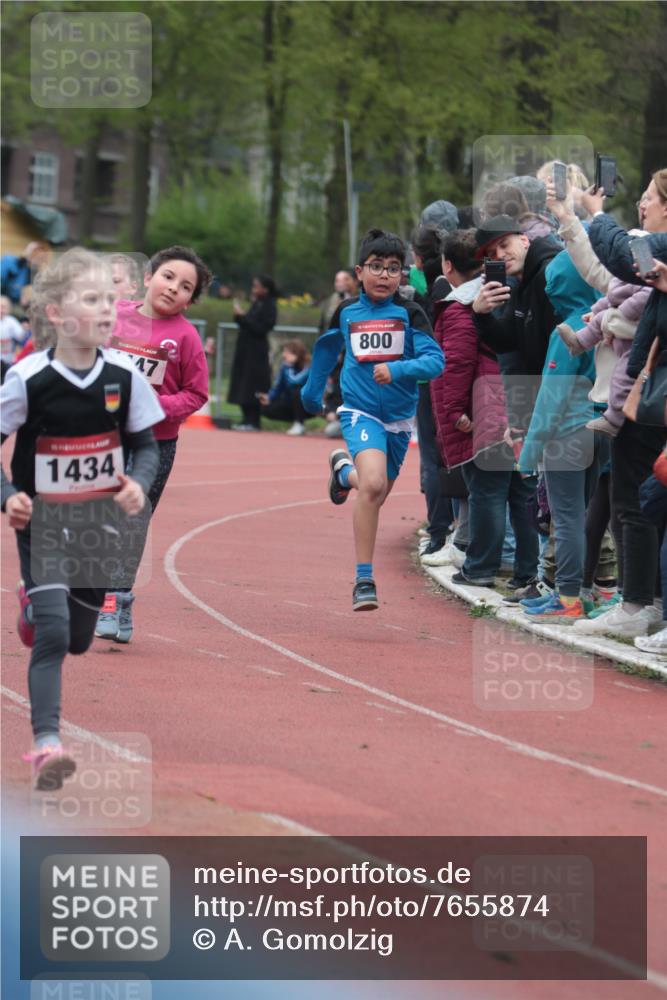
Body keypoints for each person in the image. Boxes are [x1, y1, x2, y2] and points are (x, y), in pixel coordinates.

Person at [0, 248, 164, 790]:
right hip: (43, 522)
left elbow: (145, 445)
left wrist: (137, 481)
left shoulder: (124, 377)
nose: (105, 311)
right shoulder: (27, 379)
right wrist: (8, 495)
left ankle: (32, 609)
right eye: (90, 300)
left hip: (99, 527)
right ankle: (47, 744)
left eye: (110, 302)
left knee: (78, 638)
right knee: (52, 636)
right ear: (55, 313)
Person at [301, 228, 444, 611]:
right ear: (359, 271)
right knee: (375, 483)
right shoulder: (347, 312)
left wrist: (398, 371)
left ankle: (342, 474)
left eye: (393, 268)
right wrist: (312, 392)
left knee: (374, 492)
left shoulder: (411, 313)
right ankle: (364, 579)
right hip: (360, 411)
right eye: (376, 267)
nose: (384, 275)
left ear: (402, 275)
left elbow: (436, 362)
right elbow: (327, 348)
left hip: (399, 420)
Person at [95, 245, 211, 643]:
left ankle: (117, 599)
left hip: (153, 445)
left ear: (190, 301)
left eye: (185, 287)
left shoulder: (186, 338)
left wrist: (153, 405)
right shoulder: (114, 318)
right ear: (148, 278)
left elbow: (196, 395)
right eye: (167, 277)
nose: (173, 288)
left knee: (131, 523)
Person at [571, 170, 667, 638]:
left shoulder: (657, 248)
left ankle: (639, 605)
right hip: (647, 388)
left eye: (649, 198)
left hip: (653, 394)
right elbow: (606, 266)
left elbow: (620, 255)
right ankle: (643, 602)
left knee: (634, 497)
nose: (642, 206)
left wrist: (595, 214)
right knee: (643, 498)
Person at [429, 230, 538, 586]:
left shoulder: (462, 305)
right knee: (520, 494)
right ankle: (526, 570)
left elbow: (457, 363)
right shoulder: (508, 291)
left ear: (447, 266)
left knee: (488, 490)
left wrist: (455, 411)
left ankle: (481, 567)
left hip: (485, 407)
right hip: (515, 399)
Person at [228, 275, 278, 430]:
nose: (254, 289)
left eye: (257, 286)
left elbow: (261, 328)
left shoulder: (269, 306)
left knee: (253, 384)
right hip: (245, 349)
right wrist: (239, 316)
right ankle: (245, 418)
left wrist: (244, 318)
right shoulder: (256, 303)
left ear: (266, 289)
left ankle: (253, 420)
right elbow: (246, 323)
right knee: (242, 382)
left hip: (257, 352)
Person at [257, 339, 312, 435]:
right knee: (265, 408)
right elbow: (278, 386)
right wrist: (269, 397)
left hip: (309, 404)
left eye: (287, 352)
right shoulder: (285, 367)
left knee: (297, 391)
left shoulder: (308, 366)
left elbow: (295, 380)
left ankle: (299, 423)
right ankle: (295, 421)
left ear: (297, 353)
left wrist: (288, 367)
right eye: (284, 352)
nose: (284, 355)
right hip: (290, 401)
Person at [1, 241, 49, 305]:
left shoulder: (35, 275)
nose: (38, 260)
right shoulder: (10, 261)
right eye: (35, 254)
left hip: (15, 304)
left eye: (41, 258)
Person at [319, 270, 356, 335]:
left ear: (354, 281)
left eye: (346, 279)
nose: (341, 283)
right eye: (337, 280)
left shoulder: (360, 300)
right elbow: (322, 326)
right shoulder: (328, 303)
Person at [1, 295, 26, 379]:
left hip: (7, 358)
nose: (1, 310)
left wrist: (24, 329)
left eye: (3, 307)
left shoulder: (11, 321)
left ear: (8, 309)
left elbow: (20, 337)